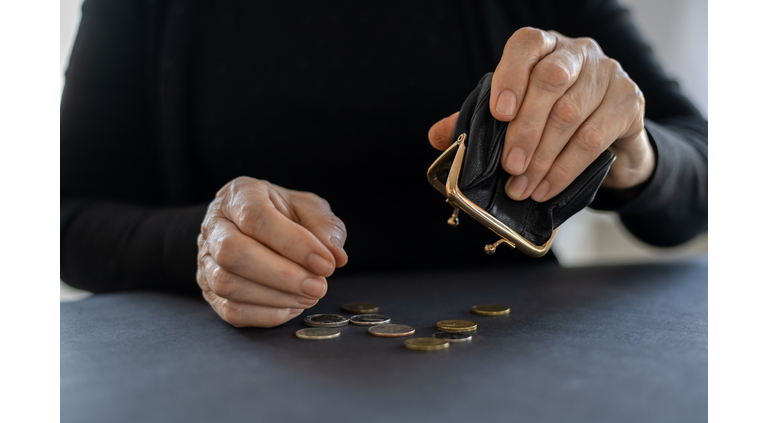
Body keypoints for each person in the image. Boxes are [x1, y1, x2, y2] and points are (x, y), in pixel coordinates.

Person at [61, 0, 707, 328]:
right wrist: (199, 242)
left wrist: (635, 154)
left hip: (508, 367)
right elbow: (63, 215)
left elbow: (708, 173)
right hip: (222, 378)